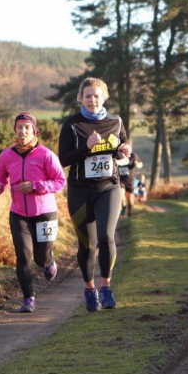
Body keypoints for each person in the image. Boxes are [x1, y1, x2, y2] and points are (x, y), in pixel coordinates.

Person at [58, 77, 133, 312]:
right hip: (80, 191)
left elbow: (123, 152)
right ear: (81, 97)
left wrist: (124, 151)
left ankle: (106, 287)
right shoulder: (72, 125)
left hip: (108, 187)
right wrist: (86, 148)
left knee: (106, 236)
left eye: (96, 96)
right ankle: (90, 290)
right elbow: (64, 159)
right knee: (87, 245)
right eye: (88, 96)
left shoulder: (116, 122)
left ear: (105, 98)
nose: (92, 100)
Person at [0, 113, 66, 313]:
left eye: (27, 127)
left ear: (34, 131)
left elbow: (60, 181)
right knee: (23, 255)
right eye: (19, 127)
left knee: (40, 259)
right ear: (15, 130)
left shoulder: (46, 155)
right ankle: (28, 299)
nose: (23, 131)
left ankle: (49, 262)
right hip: (19, 213)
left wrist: (35, 185)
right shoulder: (6, 155)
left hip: (45, 213)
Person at [118, 151, 142, 216]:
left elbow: (140, 164)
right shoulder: (117, 154)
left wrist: (137, 164)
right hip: (120, 179)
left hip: (129, 179)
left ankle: (130, 211)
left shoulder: (133, 155)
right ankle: (124, 207)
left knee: (130, 196)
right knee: (121, 194)